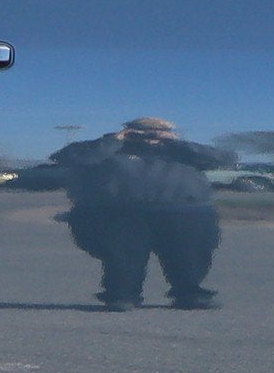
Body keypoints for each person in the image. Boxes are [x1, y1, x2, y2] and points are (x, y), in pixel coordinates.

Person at [49, 115, 231, 309]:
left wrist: (176, 143)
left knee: (189, 256)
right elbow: (68, 157)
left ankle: (190, 294)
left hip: (184, 210)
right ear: (128, 129)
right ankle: (122, 296)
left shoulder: (182, 151)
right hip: (119, 212)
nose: (149, 135)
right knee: (122, 257)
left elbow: (223, 159)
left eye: (158, 130)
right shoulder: (108, 148)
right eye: (142, 130)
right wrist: (115, 140)